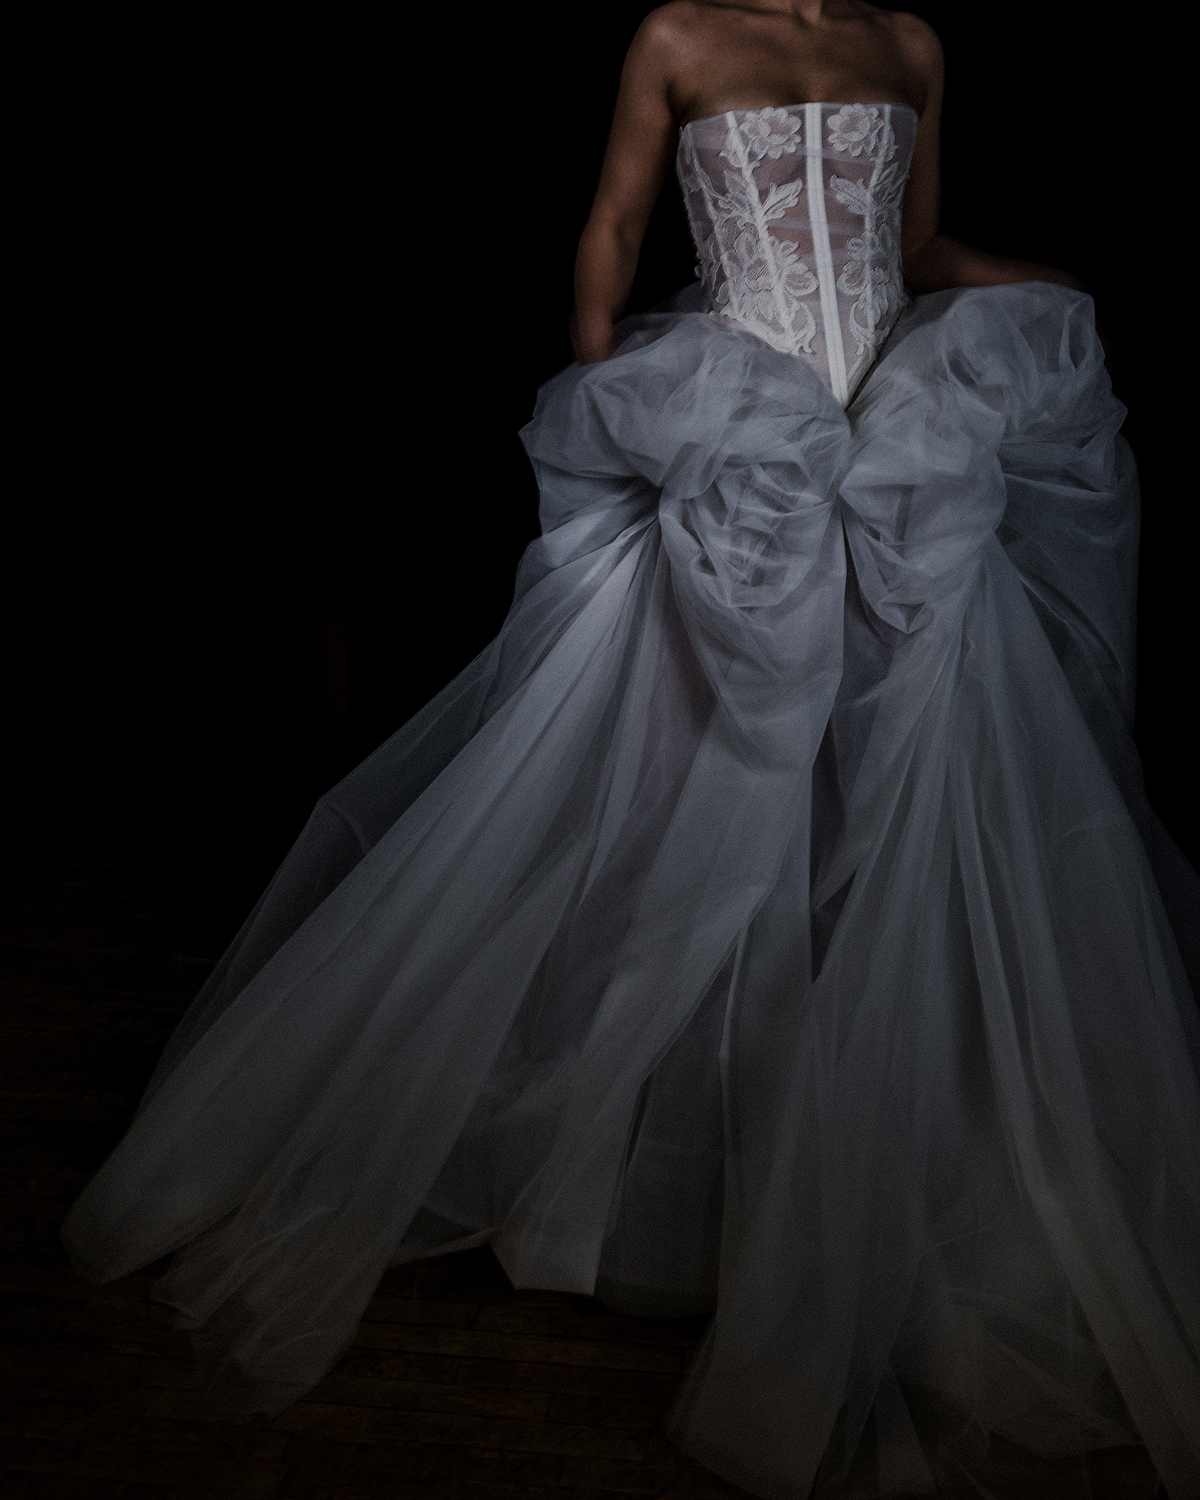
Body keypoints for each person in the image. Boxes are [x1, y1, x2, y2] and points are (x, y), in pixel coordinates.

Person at [64, 3, 1200, 1496]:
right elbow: (611, 226)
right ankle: (629, 1170)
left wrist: (1041, 284)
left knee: (901, 794)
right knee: (691, 800)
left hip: (894, 451)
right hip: (740, 448)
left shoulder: (909, 41)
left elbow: (915, 248)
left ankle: (854, 1162)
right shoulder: (676, 34)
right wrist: (608, 414)